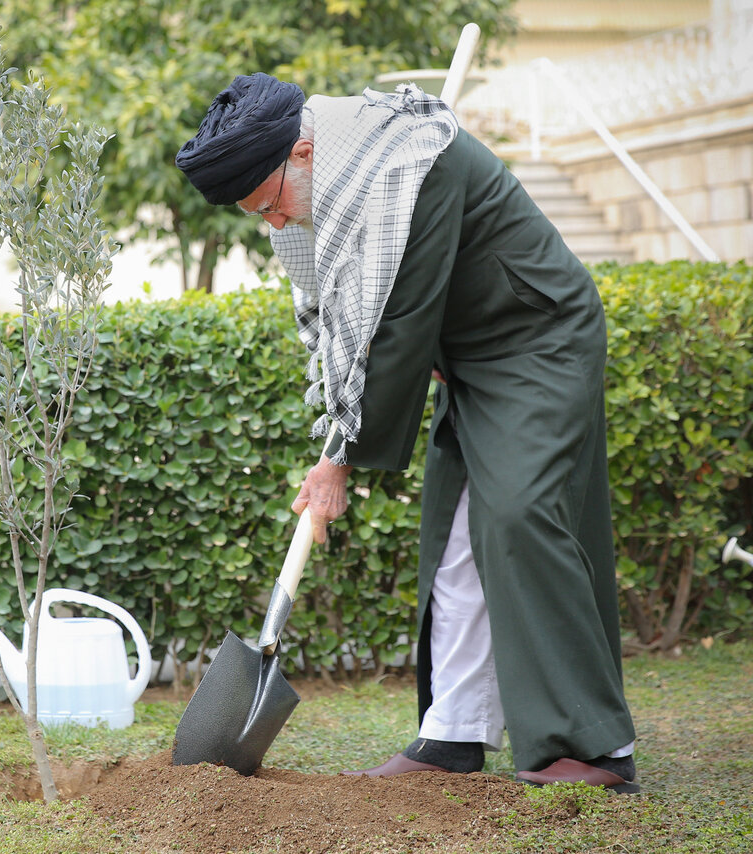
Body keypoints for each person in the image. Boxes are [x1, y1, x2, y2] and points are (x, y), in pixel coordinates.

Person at [175, 73, 639, 792]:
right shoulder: (339, 181)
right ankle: (452, 735)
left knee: (518, 516)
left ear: (302, 154)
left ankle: (592, 748)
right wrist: (343, 427)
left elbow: (400, 329)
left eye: (270, 204)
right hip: (469, 357)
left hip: (538, 337)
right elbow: (356, 319)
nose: (273, 225)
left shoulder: (412, 165)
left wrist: (340, 463)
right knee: (455, 540)